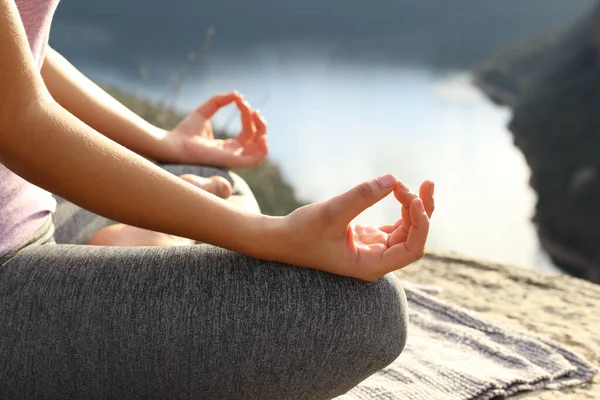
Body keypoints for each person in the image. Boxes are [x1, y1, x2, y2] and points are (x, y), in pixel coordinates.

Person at [0, 0, 435, 398]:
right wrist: (272, 235)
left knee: (215, 181)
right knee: (362, 313)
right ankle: (142, 245)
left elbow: (24, 55)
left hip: (30, 202)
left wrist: (162, 142)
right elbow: (17, 122)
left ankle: (138, 244)